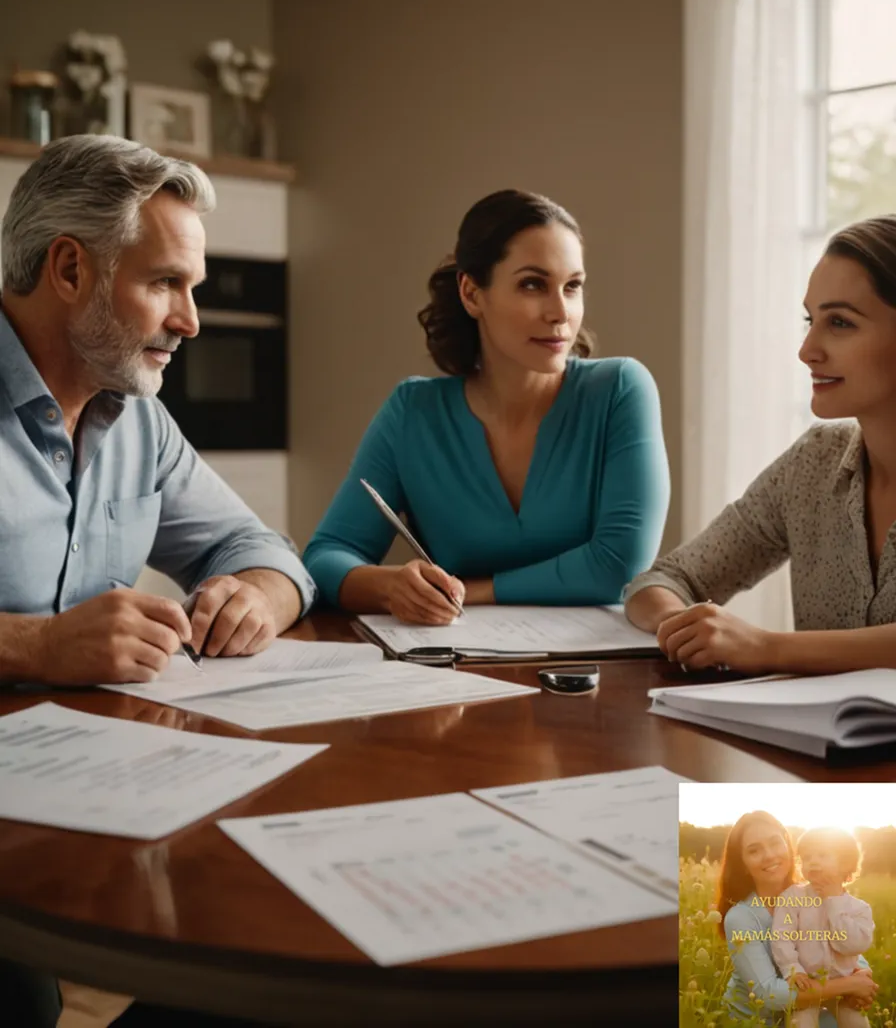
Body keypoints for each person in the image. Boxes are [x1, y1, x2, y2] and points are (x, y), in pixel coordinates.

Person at [0, 134, 316, 1025]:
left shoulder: (138, 417)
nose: (191, 321)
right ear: (70, 269)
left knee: (251, 954)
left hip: (83, 791)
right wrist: (36, 645)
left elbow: (264, 548)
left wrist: (253, 596)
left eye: (195, 288)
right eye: (166, 283)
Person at [303, 189, 670, 623]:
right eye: (533, 284)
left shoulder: (620, 390)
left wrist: (471, 592)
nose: (560, 312)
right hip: (458, 656)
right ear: (472, 293)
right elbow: (326, 556)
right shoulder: (413, 413)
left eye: (572, 287)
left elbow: (619, 566)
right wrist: (390, 587)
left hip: (599, 660)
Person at [625, 214, 896, 673]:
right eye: (810, 320)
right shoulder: (814, 463)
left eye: (840, 322)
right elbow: (666, 580)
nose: (807, 350)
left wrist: (764, 647)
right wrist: (689, 630)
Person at [716, 812, 877, 1025]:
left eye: (775, 843)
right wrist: (849, 985)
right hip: (757, 1020)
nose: (769, 855)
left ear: (788, 846)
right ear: (743, 864)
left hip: (810, 1003)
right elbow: (769, 994)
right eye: (754, 850)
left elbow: (840, 945)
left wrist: (862, 973)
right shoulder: (741, 918)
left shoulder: (816, 893)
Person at [770, 827, 874, 1028]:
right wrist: (792, 969)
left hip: (844, 989)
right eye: (807, 857)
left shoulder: (860, 909)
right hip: (807, 984)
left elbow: (852, 946)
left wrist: (833, 901)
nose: (813, 862)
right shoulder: (792, 897)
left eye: (822, 855)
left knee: (857, 1023)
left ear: (845, 864)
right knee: (800, 1024)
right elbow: (781, 937)